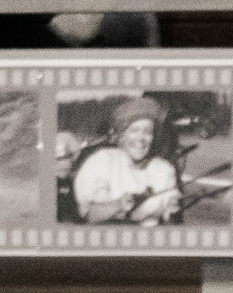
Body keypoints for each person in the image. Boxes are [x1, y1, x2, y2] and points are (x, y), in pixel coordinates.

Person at [74, 96, 182, 224]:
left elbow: (170, 217)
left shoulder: (164, 169)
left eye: (148, 132)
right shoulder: (102, 161)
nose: (141, 138)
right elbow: (90, 216)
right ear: (121, 136)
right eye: (134, 130)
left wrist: (173, 207)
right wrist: (119, 204)